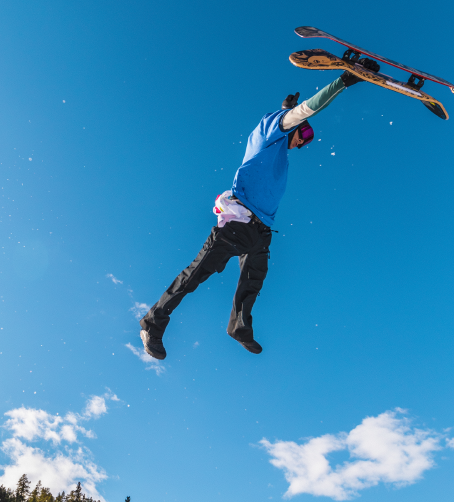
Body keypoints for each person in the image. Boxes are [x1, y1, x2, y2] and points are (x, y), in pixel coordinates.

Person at [139, 70, 363, 359]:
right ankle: (152, 324)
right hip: (237, 222)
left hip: (260, 231)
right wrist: (342, 83)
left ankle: (239, 327)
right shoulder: (272, 132)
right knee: (196, 275)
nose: (303, 142)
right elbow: (307, 109)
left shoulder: (278, 142)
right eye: (305, 134)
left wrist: (284, 108)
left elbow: (288, 120)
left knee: (253, 281)